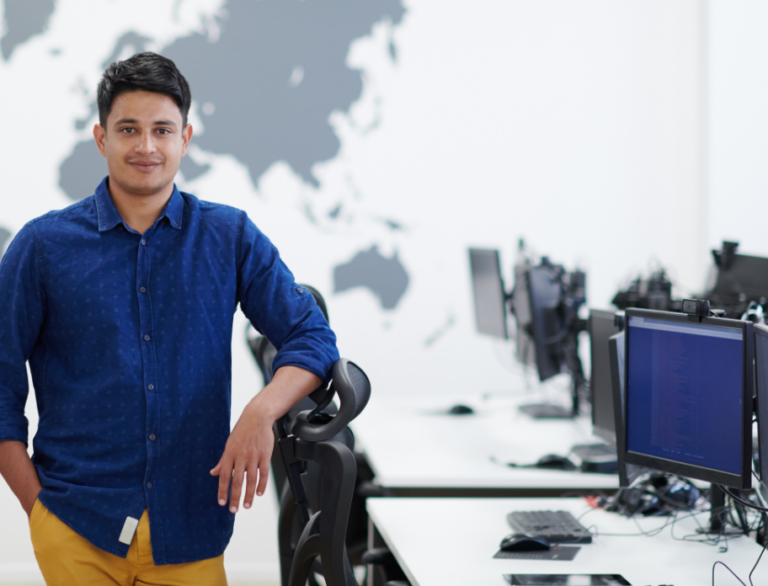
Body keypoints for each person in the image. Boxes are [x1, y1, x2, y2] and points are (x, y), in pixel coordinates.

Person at [0, 52, 338, 585]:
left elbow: (311, 335)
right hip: (76, 525)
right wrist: (37, 508)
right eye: (128, 129)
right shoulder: (43, 247)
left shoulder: (228, 236)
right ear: (100, 137)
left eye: (162, 129)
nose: (146, 147)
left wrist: (261, 411)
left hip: (190, 529)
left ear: (186, 138)